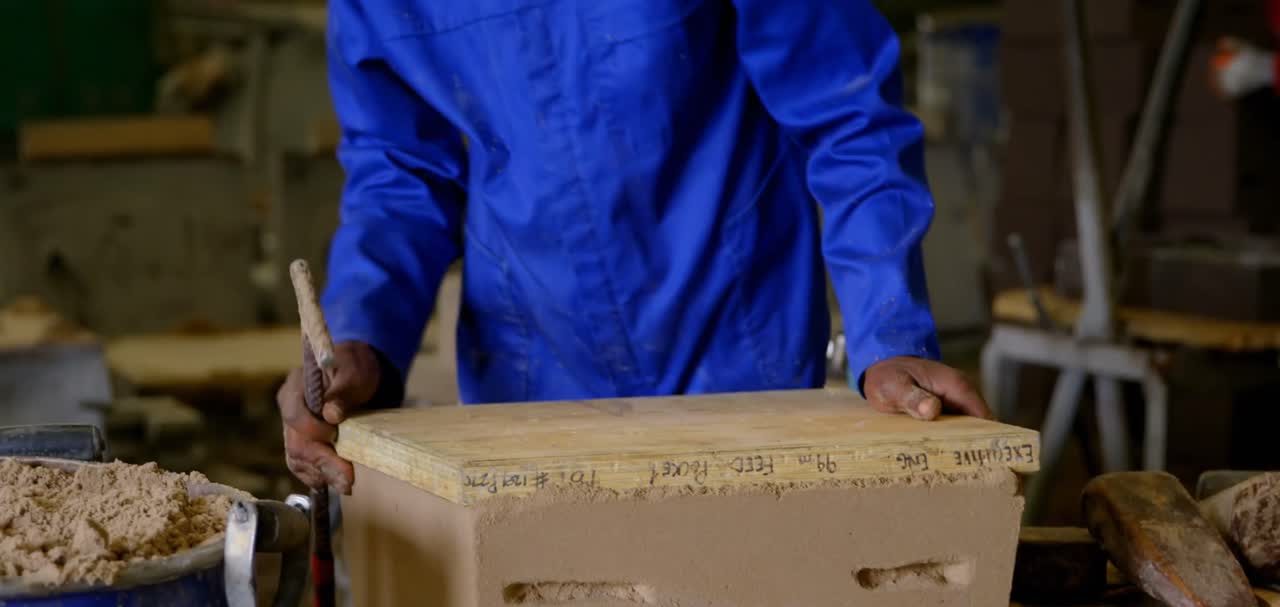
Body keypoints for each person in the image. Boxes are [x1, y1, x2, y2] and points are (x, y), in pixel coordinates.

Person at [279, 0, 991, 493]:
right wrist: (364, 339)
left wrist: (889, 333)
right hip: (528, 376)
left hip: (738, 352)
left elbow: (849, 113)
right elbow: (400, 176)